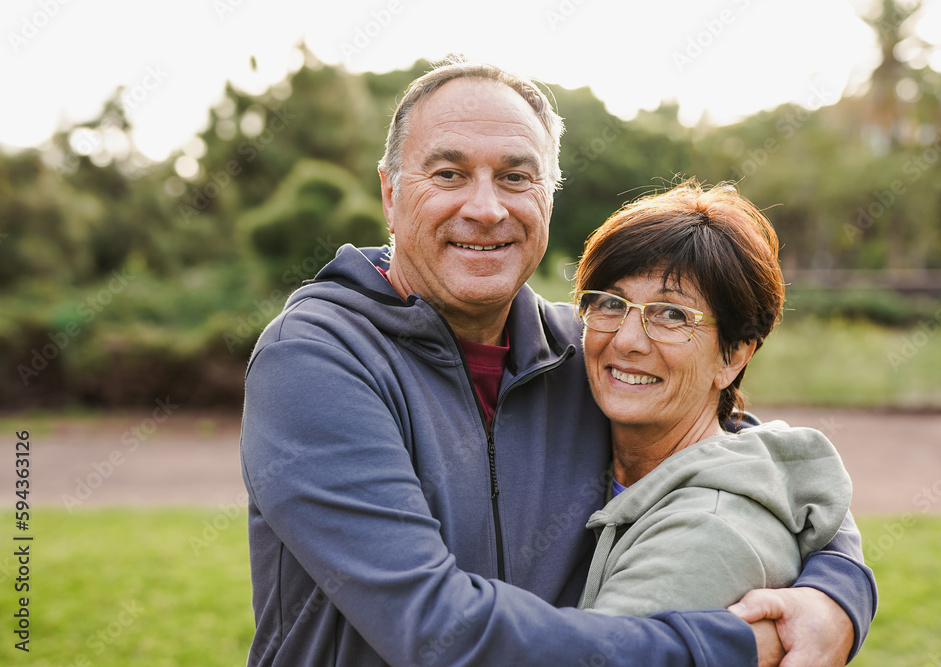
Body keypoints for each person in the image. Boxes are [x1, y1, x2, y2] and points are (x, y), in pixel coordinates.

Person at [239, 58, 876, 666]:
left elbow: (765, 465)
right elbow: (438, 632)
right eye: (450, 174)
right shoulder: (317, 361)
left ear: (548, 198)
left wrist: (839, 593)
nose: (486, 208)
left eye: (516, 177)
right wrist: (729, 649)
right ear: (391, 192)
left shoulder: (586, 349)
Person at [572, 180, 854, 619]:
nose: (626, 340)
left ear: (734, 356)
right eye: (611, 303)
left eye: (672, 314)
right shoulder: (583, 420)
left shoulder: (711, 530)